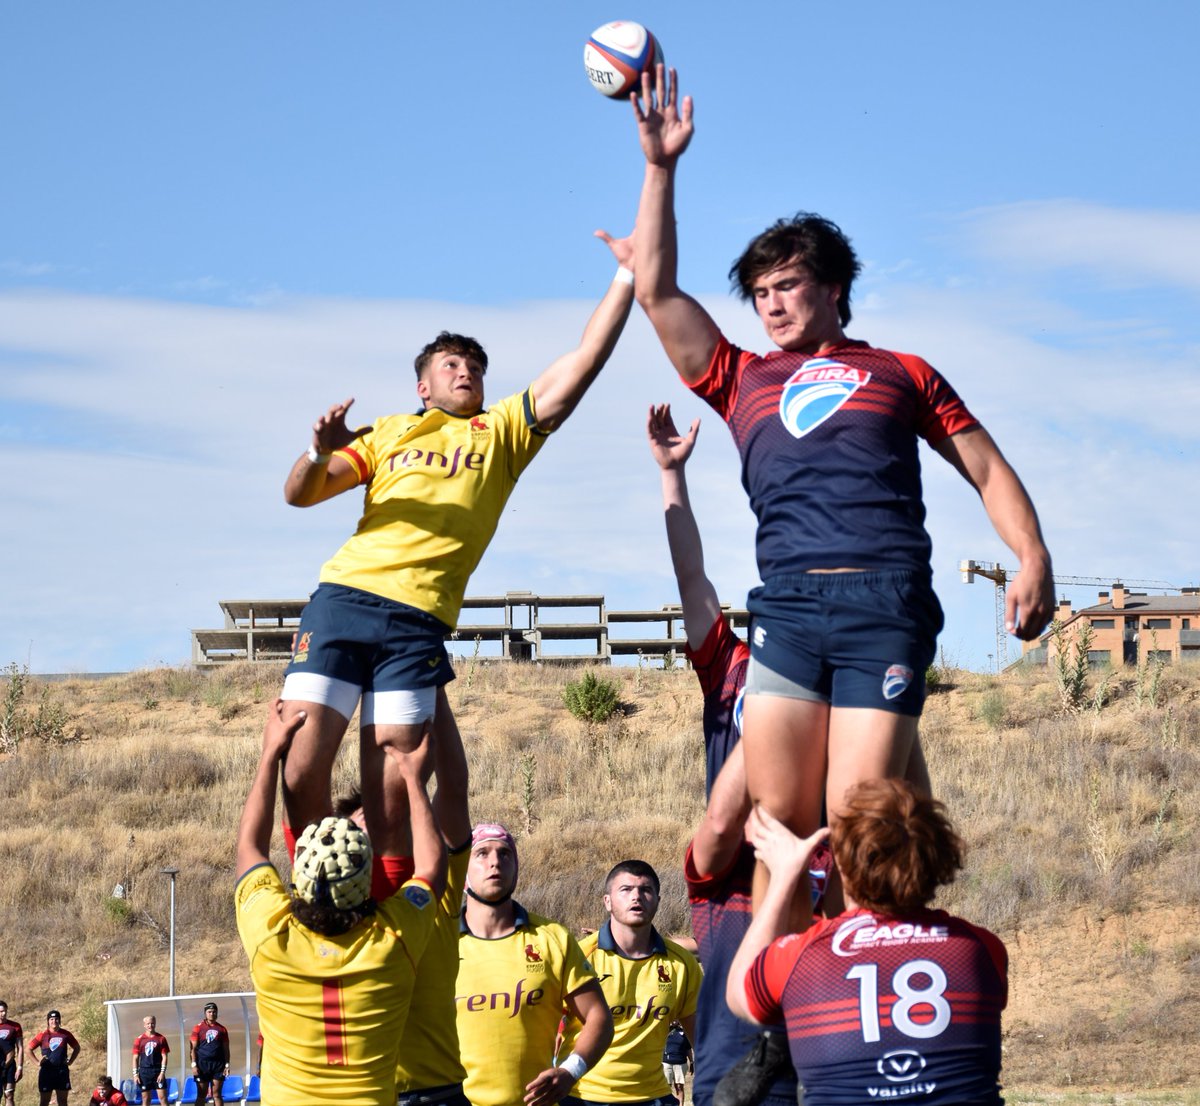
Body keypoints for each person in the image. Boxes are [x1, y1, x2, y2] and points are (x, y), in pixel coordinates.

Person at [628, 65, 1053, 911]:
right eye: (759, 293)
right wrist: (660, 168)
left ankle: (858, 979)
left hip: (883, 605)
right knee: (781, 828)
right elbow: (656, 291)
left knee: (860, 829)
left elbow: (986, 468)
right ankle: (778, 993)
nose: (771, 304)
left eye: (786, 285)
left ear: (833, 289)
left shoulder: (901, 371)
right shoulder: (738, 377)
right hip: (787, 609)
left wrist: (1032, 554)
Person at [276, 234, 638, 882]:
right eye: (451, 363)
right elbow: (300, 495)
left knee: (391, 795)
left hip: (415, 622)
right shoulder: (388, 432)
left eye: (474, 365)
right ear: (423, 384)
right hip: (342, 600)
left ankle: (385, 913)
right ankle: (318, 892)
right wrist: (316, 451)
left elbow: (583, 361)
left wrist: (626, 278)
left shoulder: (502, 432)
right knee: (301, 766)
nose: (466, 371)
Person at [727, 780, 1008, 1106]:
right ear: (940, 861)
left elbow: (738, 994)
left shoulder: (800, 956)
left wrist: (785, 876)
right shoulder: (981, 949)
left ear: (844, 867)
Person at [235, 701, 445, 1106]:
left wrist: (269, 755)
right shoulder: (391, 942)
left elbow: (249, 848)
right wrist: (414, 783)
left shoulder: (271, 936)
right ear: (369, 883)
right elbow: (433, 868)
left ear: (298, 876)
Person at [456, 824, 613, 1106]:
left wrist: (570, 1071)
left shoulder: (553, 938)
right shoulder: (438, 941)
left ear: (516, 868)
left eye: (505, 854)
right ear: (463, 871)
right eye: (482, 853)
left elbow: (598, 1017)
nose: (495, 862)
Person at [562, 860, 701, 1106]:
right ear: (607, 901)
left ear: (657, 900)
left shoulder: (682, 964)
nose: (636, 896)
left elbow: (703, 1038)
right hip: (581, 1096)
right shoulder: (579, 956)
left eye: (645, 890)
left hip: (653, 1096)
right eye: (625, 889)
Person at [28, 1011, 79, 1106]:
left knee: (63, 1101)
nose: (54, 1021)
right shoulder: (42, 1035)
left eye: (56, 1019)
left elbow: (77, 1047)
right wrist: (37, 1062)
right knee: (44, 1102)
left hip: (62, 1071)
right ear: (48, 1021)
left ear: (60, 1020)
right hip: (46, 1072)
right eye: (51, 1019)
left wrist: (71, 1061)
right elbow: (28, 1049)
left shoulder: (66, 1034)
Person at [187, 1005, 228, 1106]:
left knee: (217, 1095)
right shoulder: (198, 1028)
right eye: (209, 1012)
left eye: (214, 1012)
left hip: (218, 1065)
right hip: (202, 1065)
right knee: (201, 1095)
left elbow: (226, 1049)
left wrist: (227, 1065)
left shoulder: (222, 1029)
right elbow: (193, 1049)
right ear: (205, 1013)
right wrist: (194, 1065)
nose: (212, 1014)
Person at [130, 1017, 168, 1106]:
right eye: (148, 1024)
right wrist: (135, 1075)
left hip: (157, 1071)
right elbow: (135, 1058)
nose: (150, 1025)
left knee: (163, 1098)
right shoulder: (139, 1039)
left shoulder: (161, 1038)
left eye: (152, 1023)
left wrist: (162, 1073)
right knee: (146, 1099)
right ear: (144, 1025)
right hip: (144, 1072)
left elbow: (164, 1056)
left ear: (155, 1023)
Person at [660, 1024, 691, 1105]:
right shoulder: (663, 1030)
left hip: (680, 1063)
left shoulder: (684, 1032)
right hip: (666, 1063)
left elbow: (688, 1048)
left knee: (679, 1087)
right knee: (666, 1087)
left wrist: (691, 1061)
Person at [0, 1002, 23, 1106]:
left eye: (5, 1011)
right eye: (1, 1011)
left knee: (9, 1095)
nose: (3, 1013)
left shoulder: (15, 1026)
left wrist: (20, 1067)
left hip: (9, 1065)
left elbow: (20, 1047)